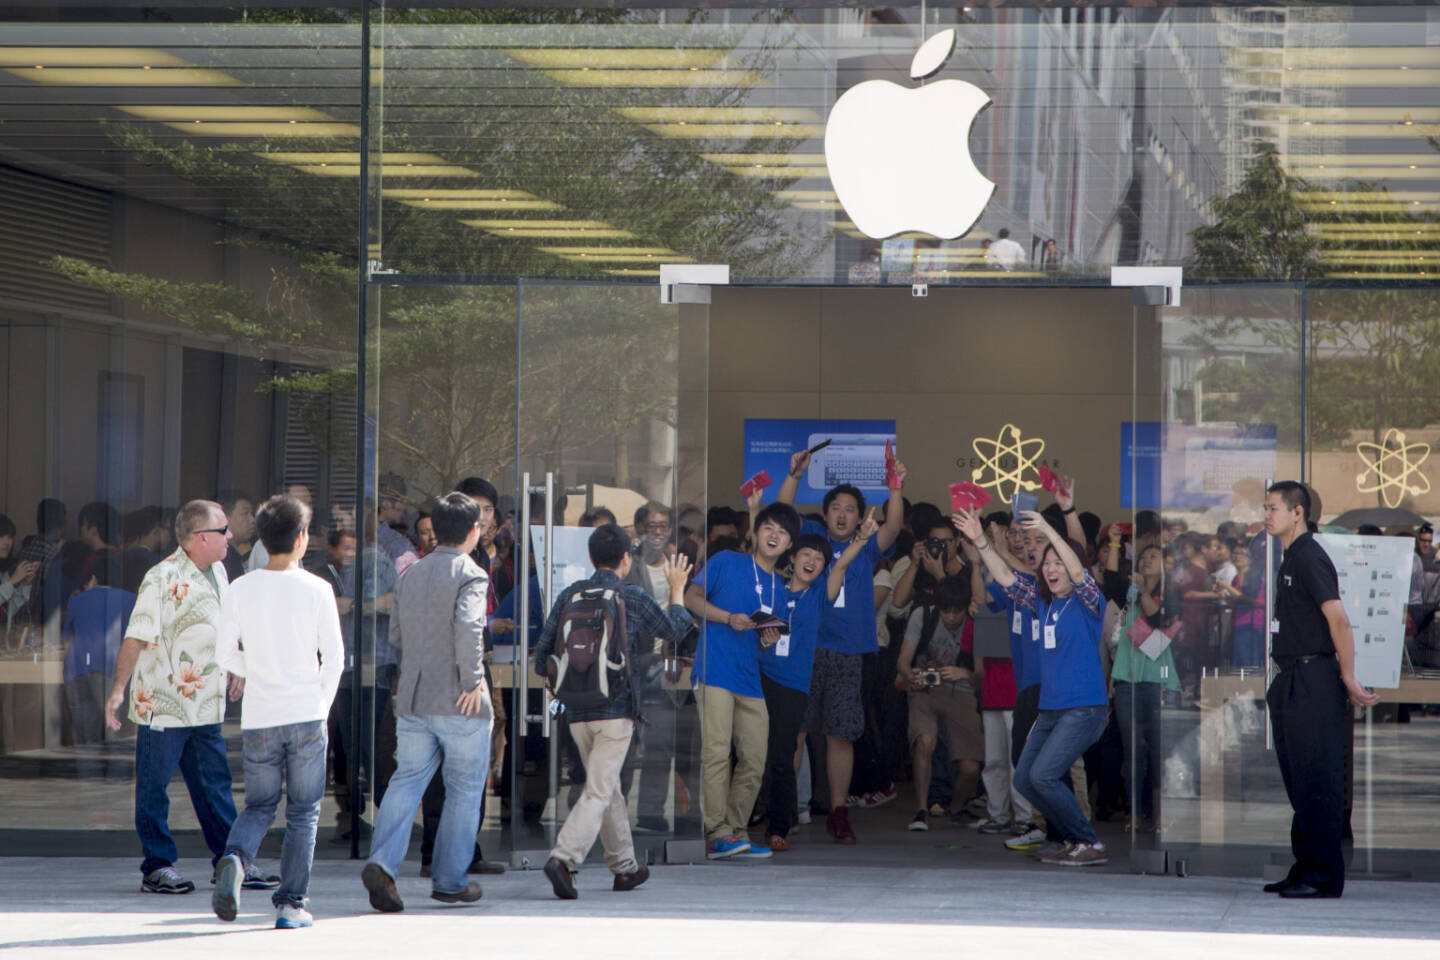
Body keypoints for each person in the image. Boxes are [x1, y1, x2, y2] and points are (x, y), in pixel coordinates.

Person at [104, 500, 266, 894]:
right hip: (164, 704)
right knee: (154, 788)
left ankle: (231, 863)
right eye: (223, 529)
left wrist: (237, 665)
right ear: (200, 538)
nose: (230, 536)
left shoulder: (219, 571)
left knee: (214, 787)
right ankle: (157, 866)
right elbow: (135, 636)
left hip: (206, 703)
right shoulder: (161, 578)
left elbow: (226, 627)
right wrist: (118, 691)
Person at [533, 524, 694, 899]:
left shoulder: (570, 594)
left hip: (577, 712)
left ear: (591, 559)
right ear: (627, 559)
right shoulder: (632, 595)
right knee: (599, 789)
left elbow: (543, 655)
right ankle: (564, 858)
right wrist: (676, 589)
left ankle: (625, 868)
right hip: (617, 710)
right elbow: (673, 630)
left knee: (608, 790)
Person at [212, 495, 343, 929]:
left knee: (259, 806)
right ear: (303, 538)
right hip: (306, 711)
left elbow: (223, 652)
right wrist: (320, 706)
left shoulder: (240, 588)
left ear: (263, 539)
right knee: (303, 813)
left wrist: (259, 669)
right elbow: (336, 659)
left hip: (260, 716)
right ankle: (290, 905)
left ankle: (234, 856)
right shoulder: (318, 589)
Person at [956, 507, 1110, 866]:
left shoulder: (1089, 602)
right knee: (1025, 779)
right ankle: (1067, 838)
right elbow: (1007, 579)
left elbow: (1077, 571)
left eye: (1058, 563)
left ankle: (1088, 842)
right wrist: (980, 540)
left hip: (1084, 707)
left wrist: (1048, 532)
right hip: (1051, 709)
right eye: (1047, 564)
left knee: (1043, 775)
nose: (1052, 569)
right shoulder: (1042, 604)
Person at [361, 492, 492, 913]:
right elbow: (470, 627)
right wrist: (473, 680)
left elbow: (396, 634)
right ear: (474, 531)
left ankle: (382, 864)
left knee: (407, 780)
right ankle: (450, 881)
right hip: (460, 695)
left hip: (413, 694)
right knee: (464, 789)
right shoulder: (471, 574)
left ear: (434, 529)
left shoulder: (411, 573)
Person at [777, 446, 907, 844]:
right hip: (806, 647)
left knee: (841, 733)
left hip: (849, 651)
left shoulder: (867, 544)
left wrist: (895, 487)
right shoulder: (812, 539)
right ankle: (784, 809)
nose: (841, 513)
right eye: (835, 506)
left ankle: (838, 811)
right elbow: (781, 517)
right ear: (826, 512)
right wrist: (795, 475)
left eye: (850, 508)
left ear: (859, 515)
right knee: (795, 730)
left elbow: (894, 526)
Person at [1262, 481, 1379, 899]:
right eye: (1266, 507)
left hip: (1314, 678)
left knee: (1317, 780)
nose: (1267, 514)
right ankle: (1305, 866)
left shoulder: (1310, 555)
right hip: (1291, 678)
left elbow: (1339, 620)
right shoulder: (1290, 556)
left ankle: (1324, 875)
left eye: (1274, 508)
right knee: (1299, 780)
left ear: (1297, 513)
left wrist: (1348, 677)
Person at [685, 500, 802, 860]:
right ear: (755, 532)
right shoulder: (727, 562)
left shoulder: (779, 589)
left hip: (750, 680)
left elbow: (767, 641)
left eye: (782, 533)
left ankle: (735, 831)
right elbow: (690, 597)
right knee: (718, 753)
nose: (774, 535)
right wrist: (726, 618)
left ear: (788, 546)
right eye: (769, 528)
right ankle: (715, 831)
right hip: (715, 671)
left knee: (754, 757)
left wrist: (768, 641)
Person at [763, 516, 876, 852]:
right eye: (806, 555)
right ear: (792, 558)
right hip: (767, 679)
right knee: (768, 750)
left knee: (789, 750)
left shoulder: (818, 596)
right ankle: (764, 816)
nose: (812, 561)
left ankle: (781, 823)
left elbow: (840, 569)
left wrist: (861, 539)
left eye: (819, 559)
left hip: (796, 682)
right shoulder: (771, 590)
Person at [898, 577, 984, 833]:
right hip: (924, 689)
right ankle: (921, 809)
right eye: (944, 611)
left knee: (970, 767)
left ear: (966, 607)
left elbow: (982, 675)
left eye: (956, 612)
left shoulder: (977, 622)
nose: (950, 617)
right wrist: (911, 674)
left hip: (963, 691)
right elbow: (902, 661)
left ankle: (956, 807)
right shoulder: (921, 616)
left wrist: (963, 673)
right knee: (925, 741)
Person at [1107, 542, 1180, 832]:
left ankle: (1161, 812)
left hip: (1158, 679)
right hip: (1127, 678)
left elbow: (1157, 618)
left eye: (1154, 557)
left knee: (1160, 750)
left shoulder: (1170, 594)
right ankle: (1135, 813)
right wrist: (1113, 542)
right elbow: (1111, 581)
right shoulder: (1129, 594)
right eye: (1143, 557)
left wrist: (1144, 591)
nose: (1147, 561)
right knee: (1132, 750)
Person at [15, 498, 65, 628]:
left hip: (16, 619)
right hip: (37, 625)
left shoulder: (23, 552)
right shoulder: (55, 556)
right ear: (58, 527)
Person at [0, 513, 40, 636]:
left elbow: (7, 612)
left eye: (10, 537)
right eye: (1, 536)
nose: (7, 542)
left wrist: (25, 584)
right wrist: (12, 581)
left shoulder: (4, 572)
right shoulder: (8, 576)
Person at [218, 491, 257, 582]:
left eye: (252, 514)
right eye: (245, 513)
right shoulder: (221, 556)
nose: (252, 520)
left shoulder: (234, 555)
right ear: (225, 517)